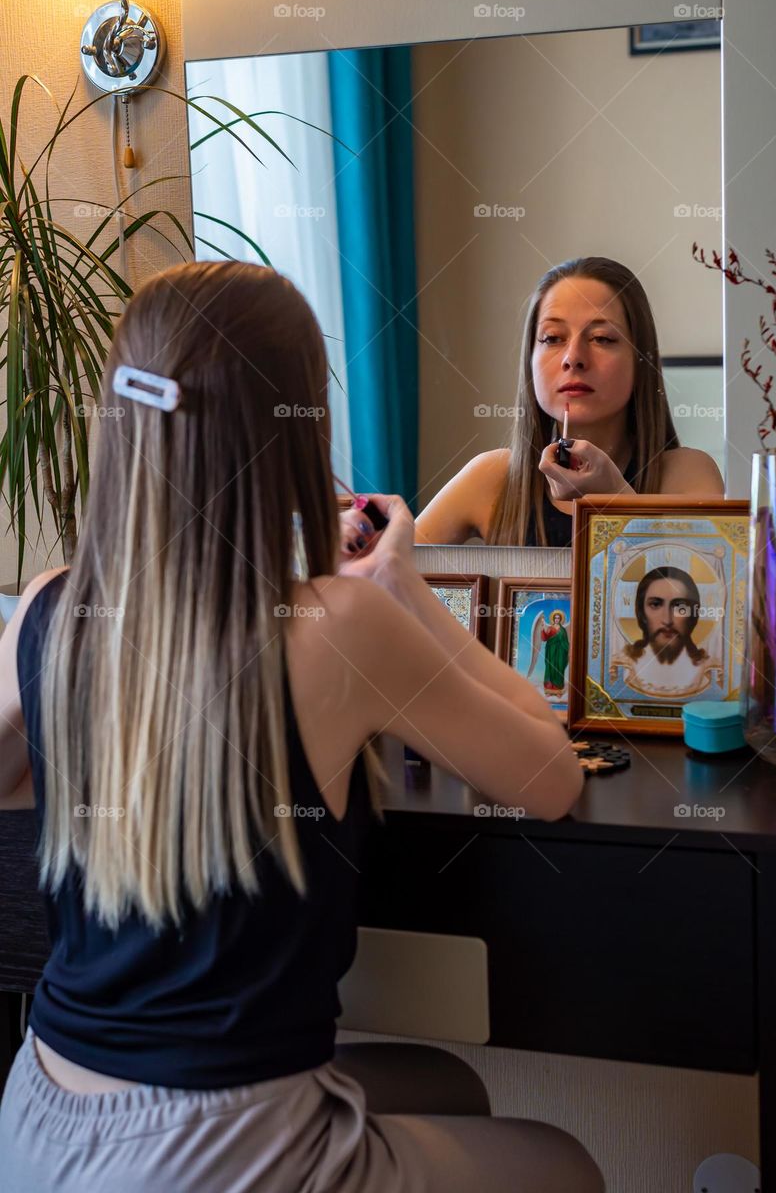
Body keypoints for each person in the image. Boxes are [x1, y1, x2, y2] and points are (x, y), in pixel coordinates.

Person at [0, 261, 604, 1193]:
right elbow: (554, 775)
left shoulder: (48, 610)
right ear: (290, 432)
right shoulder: (337, 629)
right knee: (564, 1166)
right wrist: (406, 590)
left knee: (445, 1085)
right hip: (207, 1154)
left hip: (40, 1119)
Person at [395, 257, 724, 547]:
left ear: (641, 360)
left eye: (601, 338)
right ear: (530, 359)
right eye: (552, 338)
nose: (573, 358)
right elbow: (386, 580)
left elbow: (697, 599)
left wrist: (614, 498)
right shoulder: (493, 478)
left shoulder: (685, 475)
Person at [615, 566, 715, 696]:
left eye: (679, 606)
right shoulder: (624, 666)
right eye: (655, 604)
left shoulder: (709, 669)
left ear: (693, 614)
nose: (667, 620)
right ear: (642, 613)